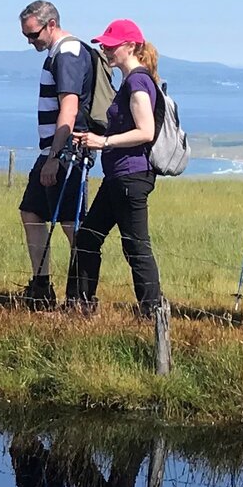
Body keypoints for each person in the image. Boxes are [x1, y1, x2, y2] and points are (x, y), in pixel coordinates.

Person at [67, 20, 166, 318]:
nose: (107, 50)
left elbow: (145, 131)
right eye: (105, 46)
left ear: (131, 46)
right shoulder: (133, 80)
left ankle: (152, 312)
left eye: (112, 46)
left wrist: (104, 141)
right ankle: (80, 304)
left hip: (130, 176)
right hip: (119, 176)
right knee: (88, 237)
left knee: (135, 246)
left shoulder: (137, 82)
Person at [15, 1, 95, 308]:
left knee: (71, 223)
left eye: (33, 34)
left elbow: (69, 109)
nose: (29, 42)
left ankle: (82, 295)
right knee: (31, 212)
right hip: (53, 150)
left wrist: (55, 157)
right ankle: (42, 286)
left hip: (65, 152)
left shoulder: (68, 53)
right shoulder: (57, 53)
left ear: (51, 25)